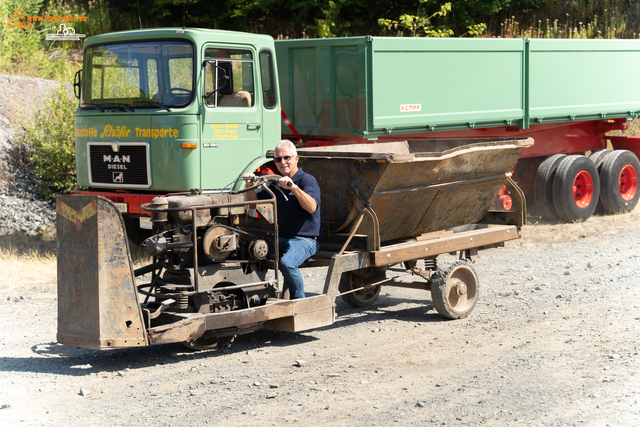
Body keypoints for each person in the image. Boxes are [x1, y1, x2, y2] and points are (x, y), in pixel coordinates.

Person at [243, 140, 321, 299]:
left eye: (287, 158)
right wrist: (249, 184)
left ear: (296, 159)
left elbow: (312, 207)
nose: (282, 162)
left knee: (287, 264)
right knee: (248, 254)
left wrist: (293, 187)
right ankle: (257, 298)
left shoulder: (307, 180)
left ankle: (299, 302)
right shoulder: (277, 184)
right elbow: (252, 204)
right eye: (278, 159)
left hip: (304, 240)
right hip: (280, 238)